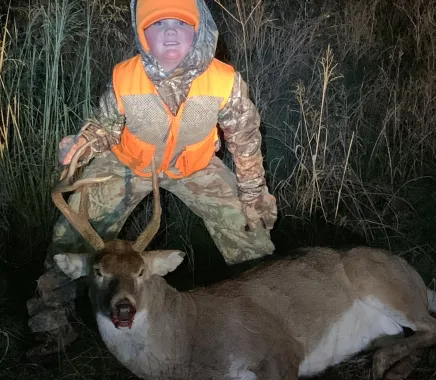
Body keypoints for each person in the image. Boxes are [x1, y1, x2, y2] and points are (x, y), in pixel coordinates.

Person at [26, 0, 277, 358]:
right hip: (130, 164)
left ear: (198, 30)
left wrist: (253, 193)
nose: (170, 32)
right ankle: (52, 327)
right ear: (144, 35)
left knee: (251, 229)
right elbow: (106, 127)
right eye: (158, 25)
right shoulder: (126, 77)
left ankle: (270, 316)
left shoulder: (225, 81)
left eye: (180, 23)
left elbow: (245, 137)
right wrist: (82, 143)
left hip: (195, 167)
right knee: (71, 235)